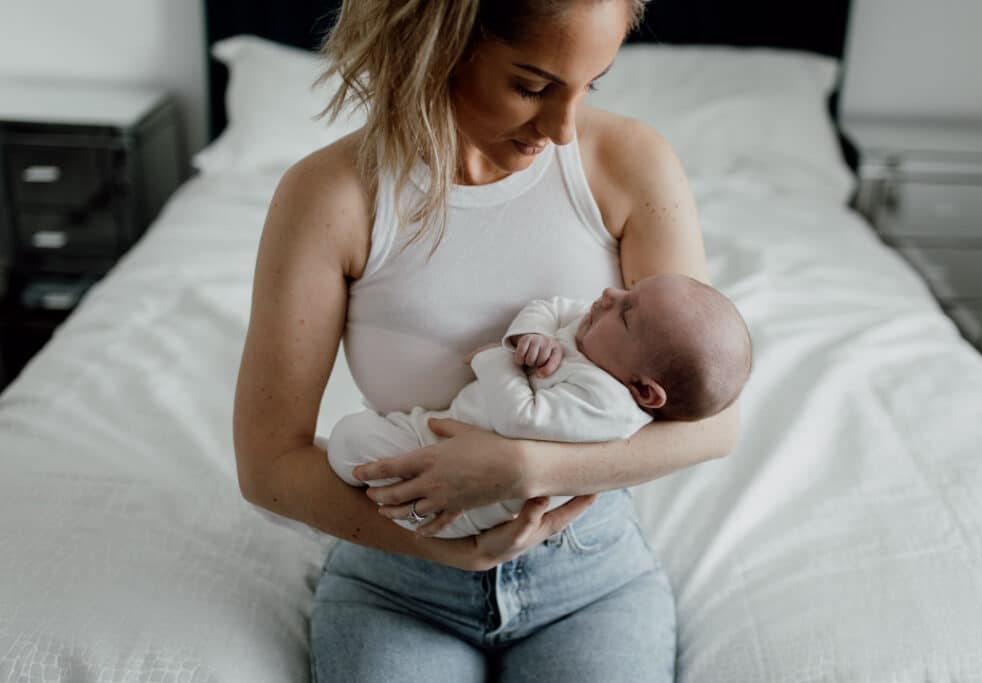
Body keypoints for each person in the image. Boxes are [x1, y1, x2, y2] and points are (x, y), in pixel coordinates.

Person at [232, 1, 745, 680]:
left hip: (590, 581)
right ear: (435, 44)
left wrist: (527, 469)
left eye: (591, 86)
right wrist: (446, 550)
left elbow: (714, 423)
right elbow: (269, 464)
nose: (564, 129)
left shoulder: (630, 162)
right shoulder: (331, 196)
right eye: (531, 86)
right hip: (396, 582)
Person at [328, 273, 752, 539]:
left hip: (469, 505)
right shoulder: (593, 331)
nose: (609, 293)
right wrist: (531, 335)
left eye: (626, 312)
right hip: (440, 430)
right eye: (630, 288)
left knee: (349, 443)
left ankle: (390, 507)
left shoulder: (608, 405)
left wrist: (493, 358)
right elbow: (550, 308)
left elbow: (522, 419)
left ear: (643, 390)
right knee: (354, 438)